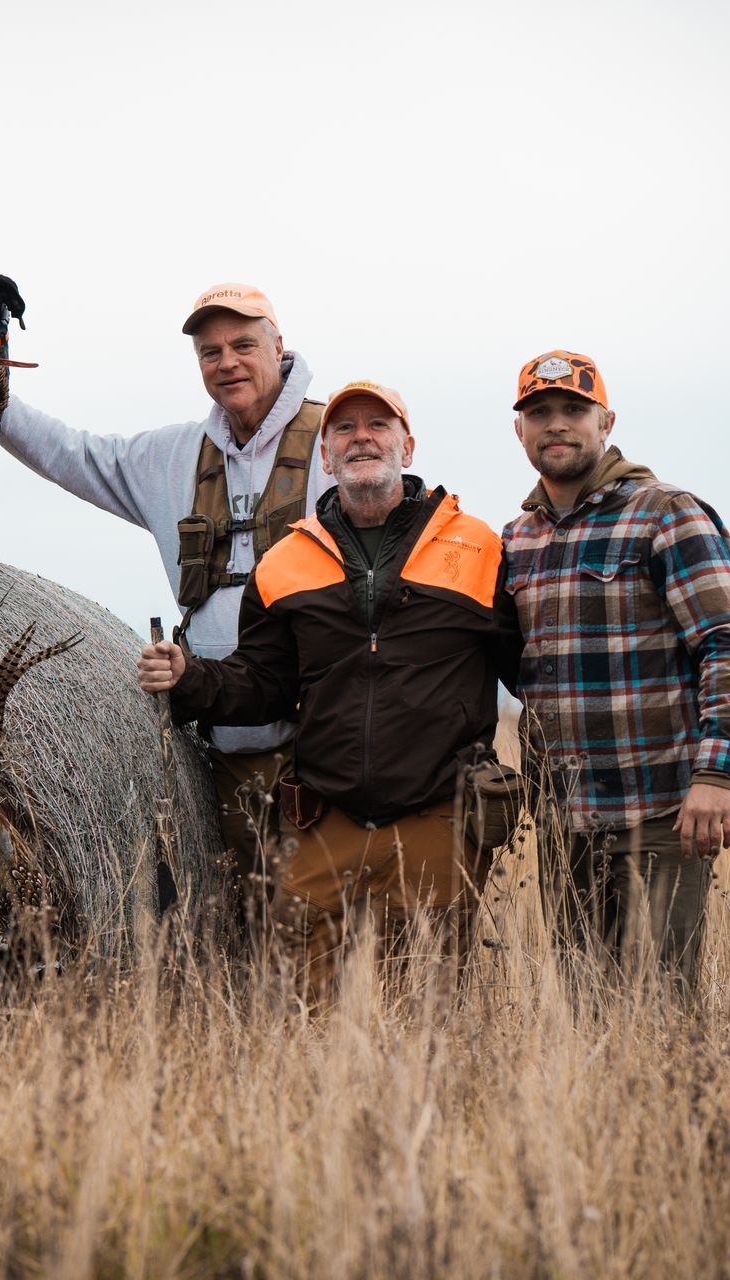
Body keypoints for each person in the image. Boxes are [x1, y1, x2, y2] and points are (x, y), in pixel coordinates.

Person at [137, 382, 520, 996]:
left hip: (439, 818)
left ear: (408, 446)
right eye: (343, 429)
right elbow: (262, 683)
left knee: (423, 1012)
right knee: (303, 1004)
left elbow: (528, 670)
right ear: (327, 458)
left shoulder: (480, 549)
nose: (361, 437)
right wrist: (190, 678)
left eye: (378, 425)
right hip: (324, 821)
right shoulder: (286, 561)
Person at [0, 283, 328, 929]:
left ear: (279, 346)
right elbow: (77, 454)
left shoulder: (335, 441)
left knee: (325, 929)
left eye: (243, 345)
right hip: (218, 752)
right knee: (245, 926)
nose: (227, 362)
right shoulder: (173, 458)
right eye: (211, 352)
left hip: (321, 748)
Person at [502, 350, 730, 993]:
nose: (557, 424)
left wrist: (716, 775)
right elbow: (520, 669)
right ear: (521, 431)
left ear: (606, 421)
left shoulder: (665, 514)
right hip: (565, 824)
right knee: (585, 1019)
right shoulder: (517, 540)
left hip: (662, 813)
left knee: (660, 1013)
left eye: (574, 410)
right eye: (540, 413)